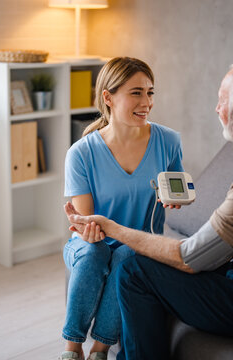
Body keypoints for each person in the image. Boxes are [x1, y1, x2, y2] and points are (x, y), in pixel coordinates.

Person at [65, 56, 233, 360]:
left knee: (133, 269)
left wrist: (112, 228)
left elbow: (190, 258)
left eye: (221, 101)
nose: (217, 109)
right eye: (137, 92)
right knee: (131, 260)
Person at [61, 57, 184, 360]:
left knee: (129, 256)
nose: (147, 102)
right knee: (94, 253)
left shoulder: (168, 141)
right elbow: (88, 224)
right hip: (92, 241)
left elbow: (177, 187)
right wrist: (86, 231)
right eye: (136, 93)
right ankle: (71, 349)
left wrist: (175, 199)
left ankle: (99, 352)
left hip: (140, 243)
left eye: (150, 92)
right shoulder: (81, 154)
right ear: (108, 98)